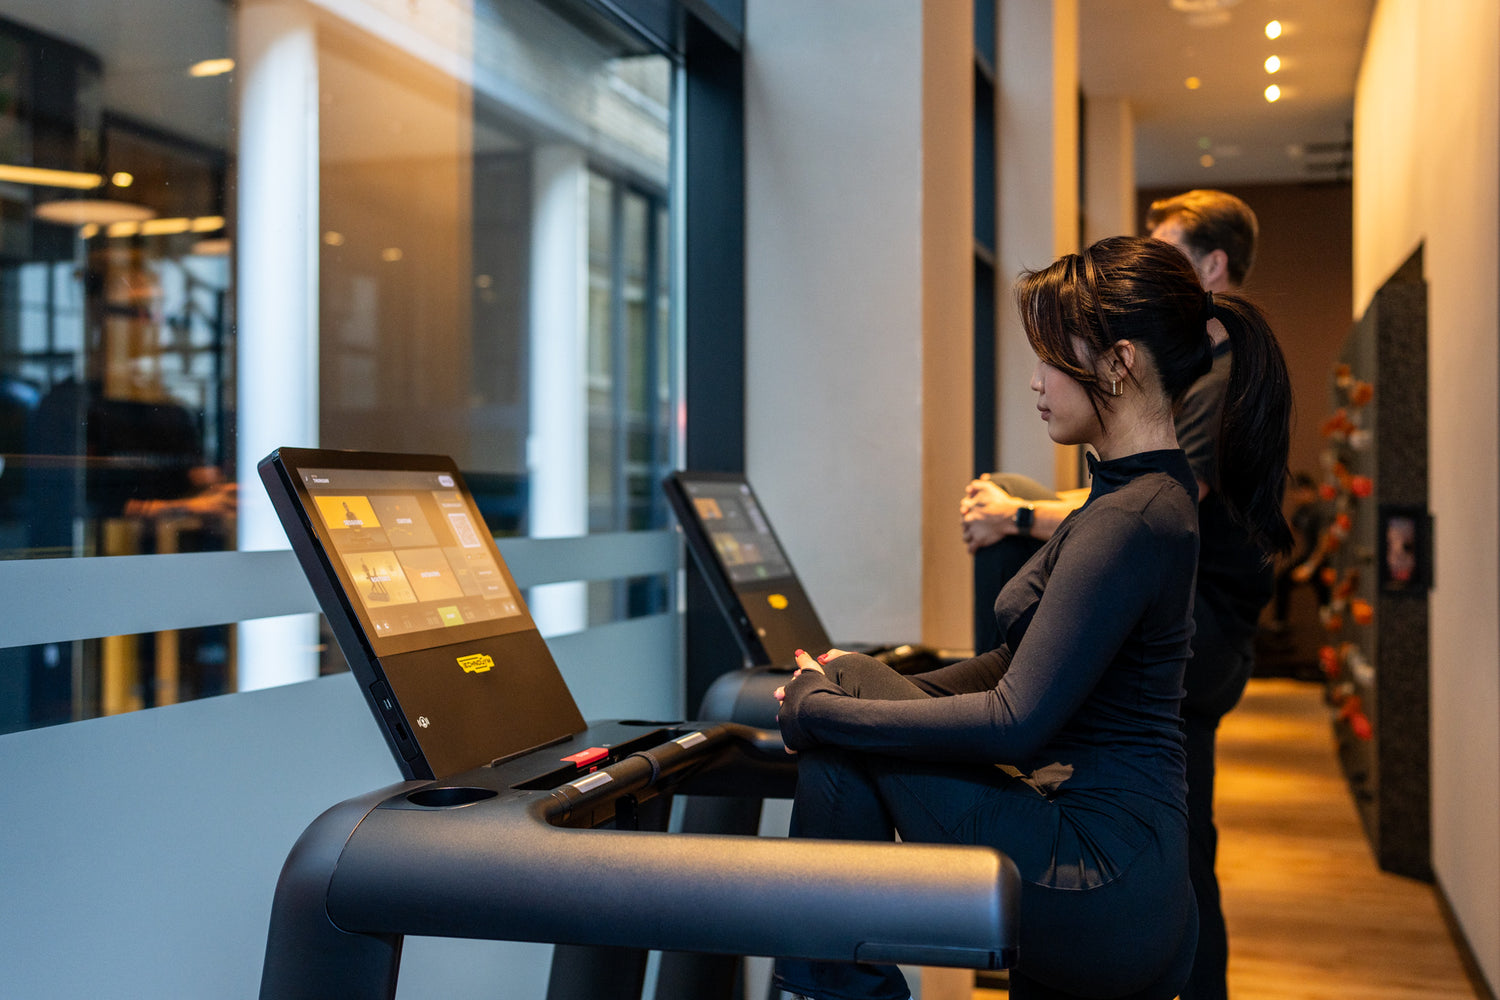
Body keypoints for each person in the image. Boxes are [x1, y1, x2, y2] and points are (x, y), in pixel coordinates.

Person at [772, 235, 1293, 1000]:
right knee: (846, 684)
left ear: (1120, 363)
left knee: (839, 720)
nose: (1036, 380)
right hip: (1122, 869)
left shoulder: (1132, 519)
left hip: (1095, 871)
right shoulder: (1133, 499)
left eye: (1054, 357)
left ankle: (826, 985)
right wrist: (850, 698)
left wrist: (825, 712)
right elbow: (1016, 667)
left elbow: (1016, 720)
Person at [960, 188, 1269, 1000]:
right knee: (1178, 835)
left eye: (1167, 255)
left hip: (1208, 630)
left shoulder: (1203, 392)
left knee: (1180, 846)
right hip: (1205, 626)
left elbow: (1148, 510)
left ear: (1211, 268)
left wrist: (1019, 514)